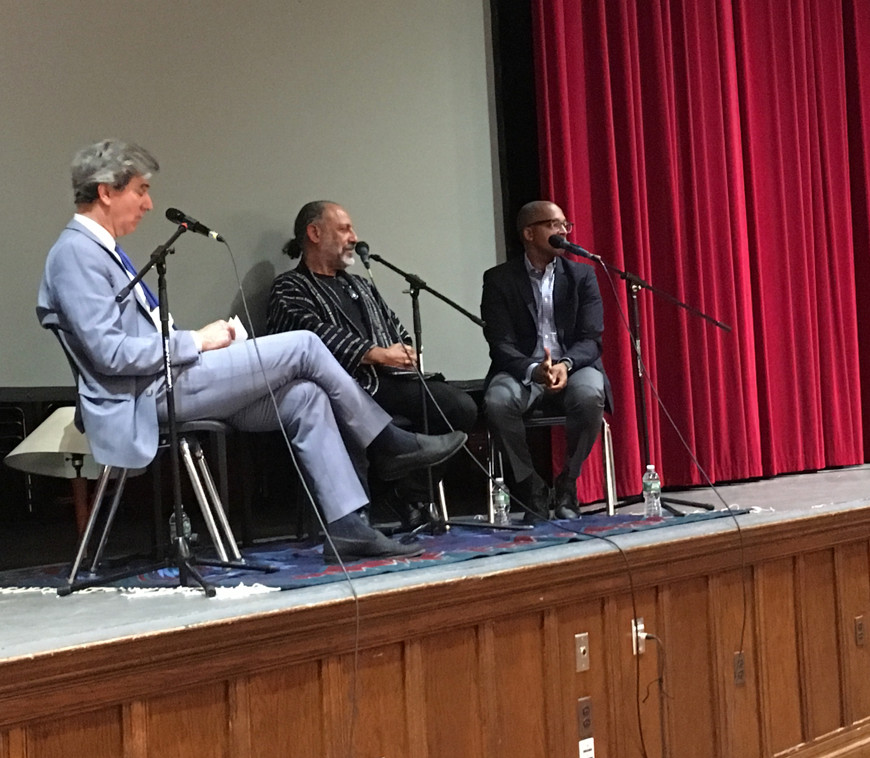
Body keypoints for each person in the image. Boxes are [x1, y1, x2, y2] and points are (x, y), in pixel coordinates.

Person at [36, 140, 466, 559]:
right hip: (140, 395)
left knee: (306, 396)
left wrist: (211, 341)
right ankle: (387, 442)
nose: (148, 204)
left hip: (166, 380)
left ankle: (348, 526)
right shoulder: (76, 254)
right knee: (304, 344)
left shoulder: (101, 251)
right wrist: (197, 341)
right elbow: (108, 354)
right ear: (107, 192)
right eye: (141, 190)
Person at [266, 201, 477, 435]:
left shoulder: (359, 284)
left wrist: (404, 351)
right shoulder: (290, 286)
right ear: (315, 233)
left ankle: (412, 465)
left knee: (461, 405)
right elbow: (312, 335)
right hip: (346, 386)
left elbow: (393, 324)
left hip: (391, 380)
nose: (354, 238)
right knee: (457, 406)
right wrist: (380, 355)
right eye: (344, 229)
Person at [481, 200, 610, 519]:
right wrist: (532, 369)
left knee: (590, 395)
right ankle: (531, 488)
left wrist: (565, 365)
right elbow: (500, 343)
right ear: (528, 233)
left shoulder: (582, 275)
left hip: (574, 366)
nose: (563, 231)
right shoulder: (499, 279)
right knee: (497, 402)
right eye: (554, 225)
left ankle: (567, 485)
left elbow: (591, 339)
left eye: (566, 224)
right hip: (523, 369)